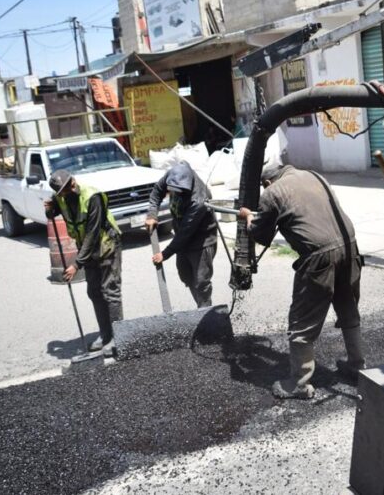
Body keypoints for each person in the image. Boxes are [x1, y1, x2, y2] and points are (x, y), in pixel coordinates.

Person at [239, 165, 366, 399]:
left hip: (319, 255)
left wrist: (248, 217)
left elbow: (261, 235)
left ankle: (299, 383)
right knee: (348, 309)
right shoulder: (313, 175)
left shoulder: (273, 192)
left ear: (267, 183)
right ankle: (357, 366)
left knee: (302, 323)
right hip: (350, 247)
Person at [44, 170, 123, 354]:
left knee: (110, 291)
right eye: (65, 188)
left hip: (106, 245)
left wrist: (76, 264)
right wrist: (49, 210)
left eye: (70, 183)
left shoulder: (92, 197)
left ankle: (119, 338)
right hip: (87, 250)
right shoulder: (60, 197)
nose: (72, 187)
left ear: (72, 179)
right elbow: (52, 213)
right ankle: (105, 335)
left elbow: (93, 233)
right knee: (94, 292)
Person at [145, 161, 218, 308]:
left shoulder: (198, 200)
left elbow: (186, 231)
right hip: (183, 240)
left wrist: (165, 254)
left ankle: (205, 313)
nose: (175, 194)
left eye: (179, 191)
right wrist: (152, 214)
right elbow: (157, 191)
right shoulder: (172, 175)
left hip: (201, 242)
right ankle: (201, 307)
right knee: (186, 275)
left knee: (201, 282)